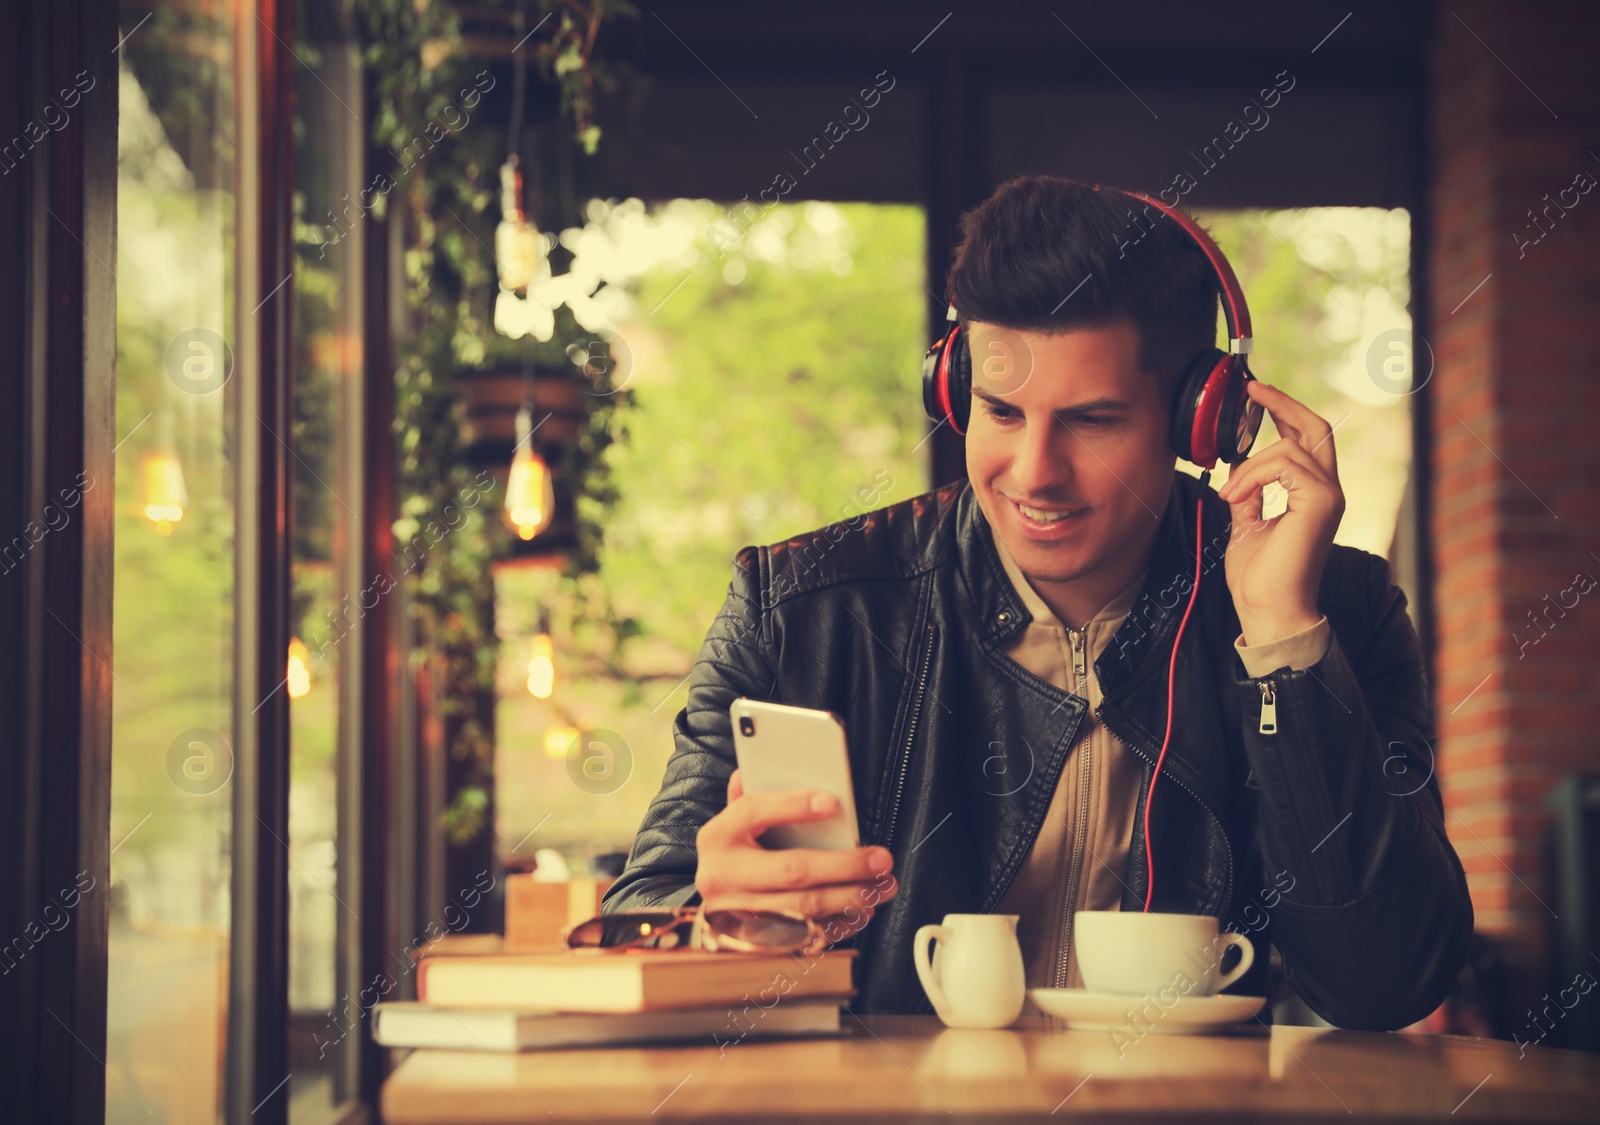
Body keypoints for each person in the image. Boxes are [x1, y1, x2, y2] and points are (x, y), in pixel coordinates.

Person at [601, 174, 1474, 1029]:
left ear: (1198, 423)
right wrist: (712, 926)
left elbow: (1387, 983)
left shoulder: (1335, 611)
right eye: (1000, 411)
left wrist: (1284, 642)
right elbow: (634, 926)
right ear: (954, 388)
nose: (1034, 473)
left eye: (1092, 420)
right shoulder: (797, 610)